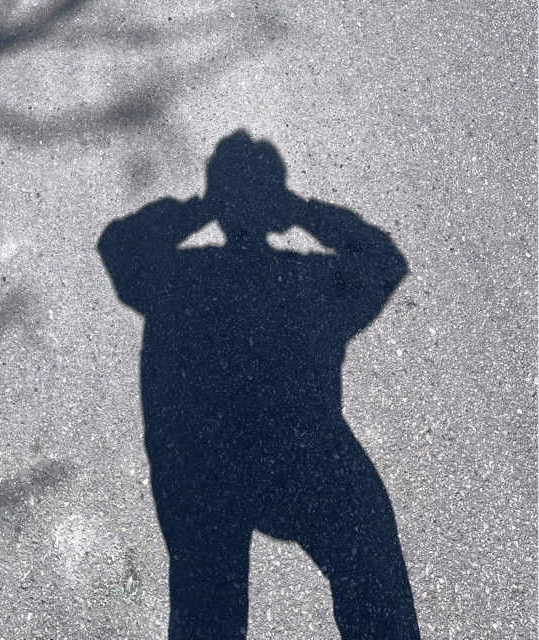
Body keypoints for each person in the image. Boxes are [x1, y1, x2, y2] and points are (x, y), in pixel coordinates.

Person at [98, 130, 421, 639]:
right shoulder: (310, 282)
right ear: (274, 203)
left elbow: (120, 245)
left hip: (201, 468)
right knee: (372, 570)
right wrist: (300, 210)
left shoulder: (177, 278)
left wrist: (204, 208)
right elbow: (383, 261)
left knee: (206, 612)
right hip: (302, 460)